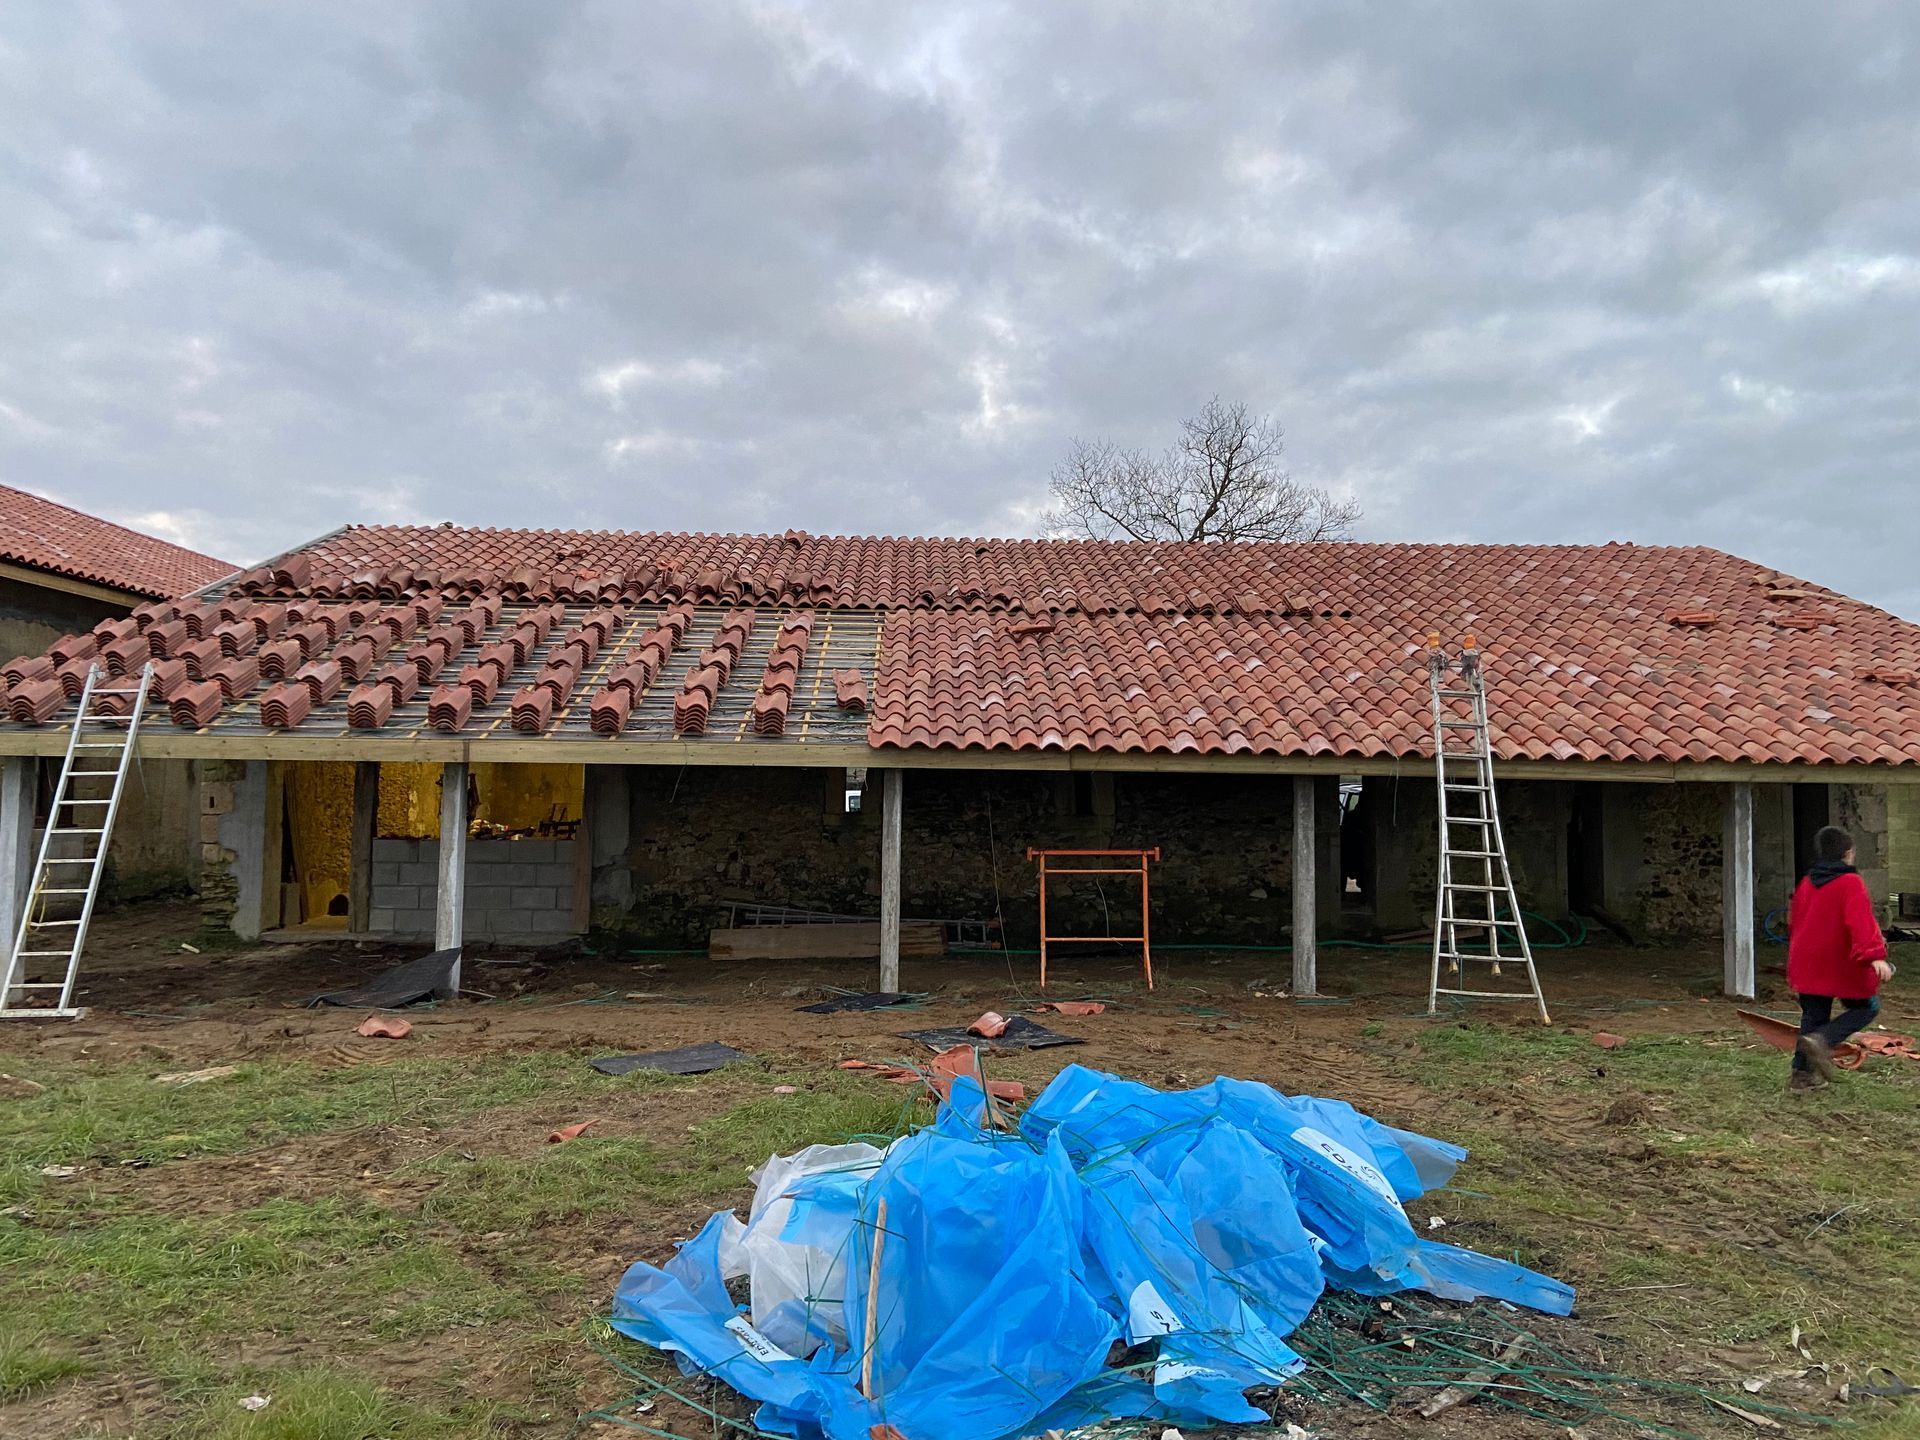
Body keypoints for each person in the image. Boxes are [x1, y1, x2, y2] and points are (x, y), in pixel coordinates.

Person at [1786, 825, 1895, 1091]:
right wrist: (1875, 956)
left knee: (1813, 1016)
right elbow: (1860, 922)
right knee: (1867, 1007)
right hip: (1838, 962)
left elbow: (1794, 921)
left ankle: (1802, 1075)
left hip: (1807, 961)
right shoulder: (1850, 882)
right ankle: (1823, 1040)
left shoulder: (1807, 882)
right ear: (1848, 853)